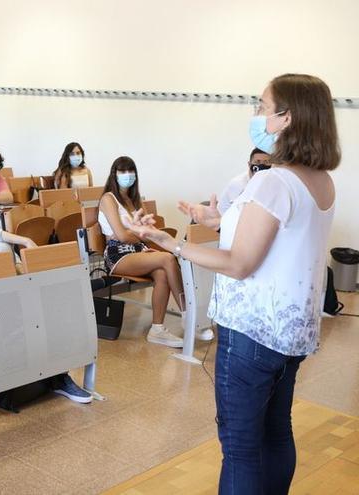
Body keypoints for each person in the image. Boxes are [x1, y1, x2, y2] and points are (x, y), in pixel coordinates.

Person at [130, 74, 338, 494]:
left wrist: (174, 244)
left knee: (241, 446)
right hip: (290, 332)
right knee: (276, 430)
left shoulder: (273, 180)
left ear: (287, 117)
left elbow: (240, 262)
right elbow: (276, 235)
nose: (257, 115)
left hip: (252, 334)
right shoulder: (319, 180)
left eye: (263, 106)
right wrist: (217, 220)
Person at [98, 156, 187, 348]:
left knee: (163, 271)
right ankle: (188, 314)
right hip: (117, 254)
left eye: (131, 171)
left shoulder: (136, 200)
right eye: (122, 171)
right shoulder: (108, 198)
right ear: (114, 174)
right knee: (168, 258)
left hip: (139, 250)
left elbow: (149, 234)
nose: (127, 175)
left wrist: (139, 237)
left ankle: (157, 329)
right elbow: (121, 237)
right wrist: (139, 235)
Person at [217, 148, 272, 214]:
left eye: (266, 162)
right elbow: (240, 211)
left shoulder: (271, 181)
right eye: (257, 162)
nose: (262, 165)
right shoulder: (238, 184)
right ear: (249, 164)